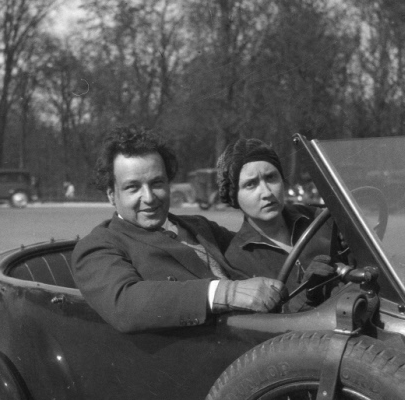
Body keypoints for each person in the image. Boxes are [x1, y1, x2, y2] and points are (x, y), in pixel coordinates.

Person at [72, 126, 287, 333]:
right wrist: (225, 292)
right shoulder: (99, 245)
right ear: (111, 194)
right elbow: (125, 304)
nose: (148, 198)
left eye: (156, 183)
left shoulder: (199, 226)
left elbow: (254, 251)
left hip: (264, 336)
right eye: (133, 187)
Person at [217, 138, 336, 310]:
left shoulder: (320, 218)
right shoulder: (237, 260)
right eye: (251, 184)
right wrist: (306, 294)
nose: (266, 192)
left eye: (271, 177)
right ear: (233, 196)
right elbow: (265, 327)